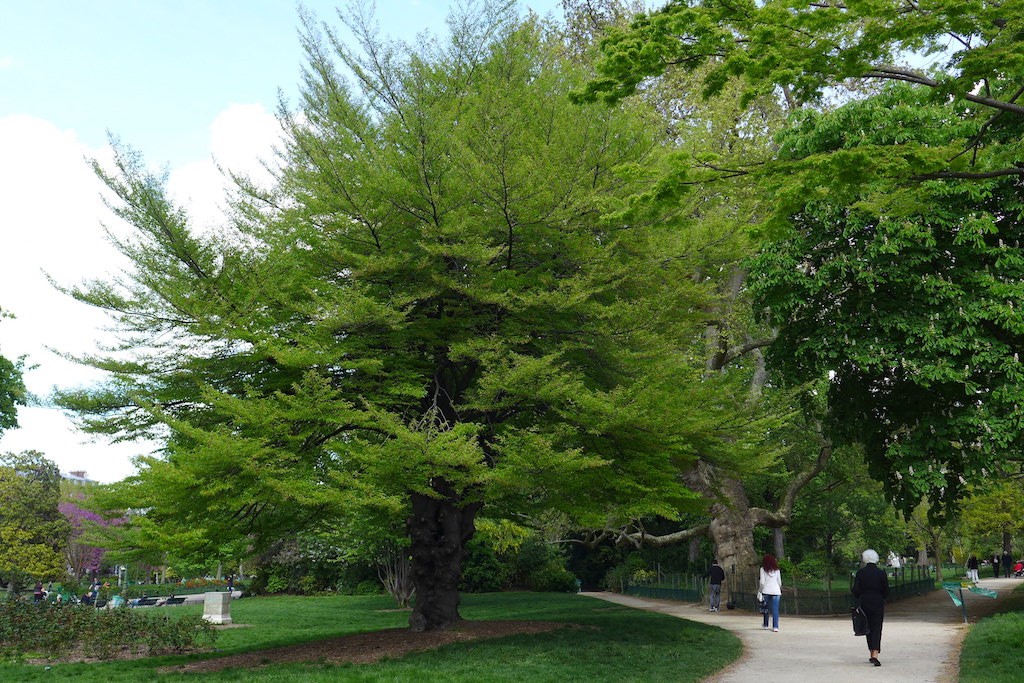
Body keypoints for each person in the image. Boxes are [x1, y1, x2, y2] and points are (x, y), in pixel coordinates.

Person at [853, 548, 889, 667]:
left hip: (865, 602)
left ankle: (871, 652)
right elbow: (886, 590)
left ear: (864, 559)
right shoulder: (881, 573)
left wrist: (859, 595)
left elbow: (856, 590)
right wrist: (882, 597)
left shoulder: (860, 573)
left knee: (867, 627)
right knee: (877, 628)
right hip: (877, 602)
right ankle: (875, 654)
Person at [758, 553, 782, 632]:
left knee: (766, 608)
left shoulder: (762, 569)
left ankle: (766, 624)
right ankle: (775, 627)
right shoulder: (777, 570)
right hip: (776, 591)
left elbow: (762, 582)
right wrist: (778, 588)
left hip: (766, 590)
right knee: (775, 609)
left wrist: (760, 590)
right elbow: (779, 582)